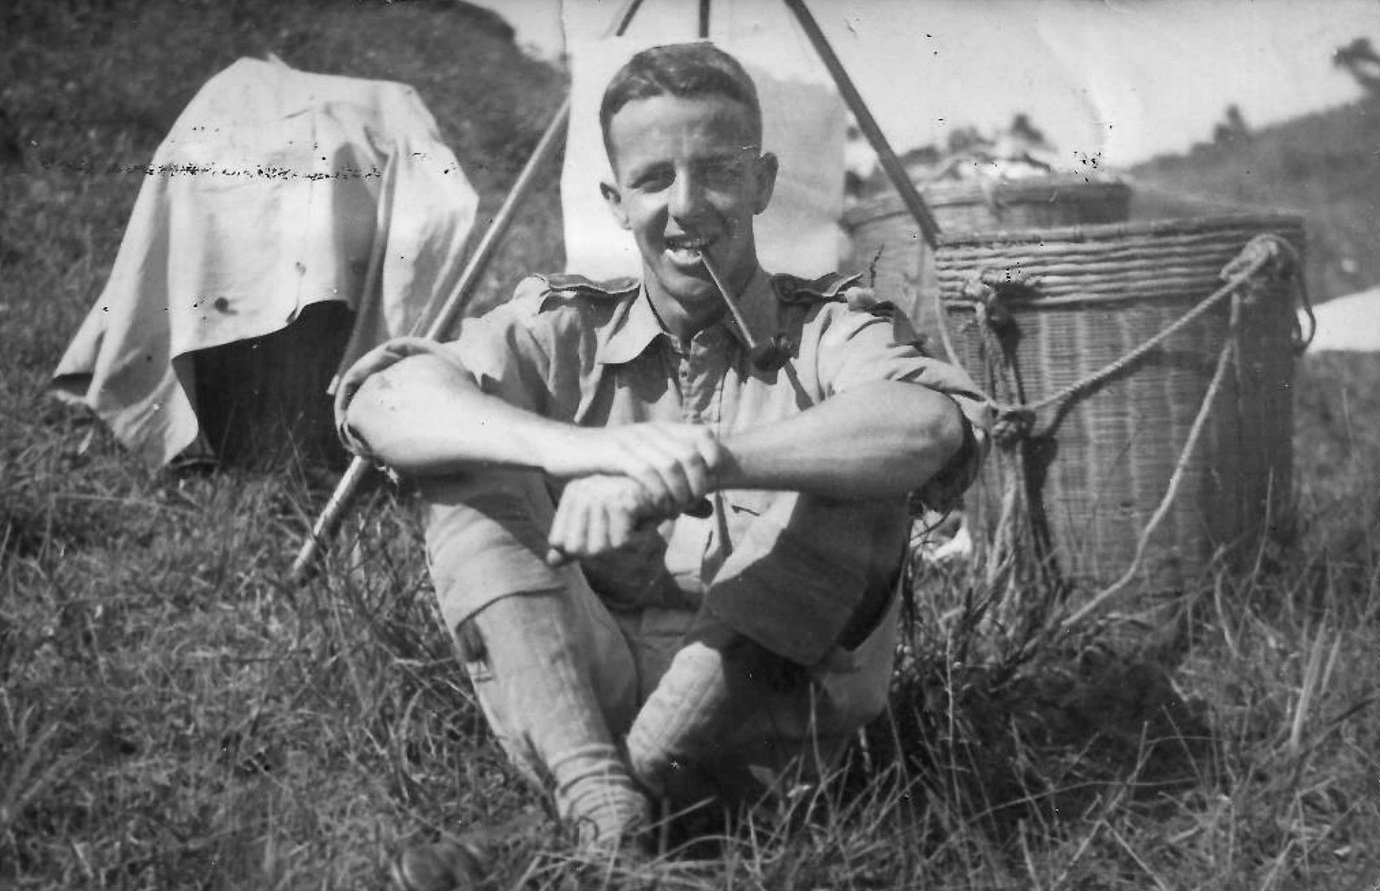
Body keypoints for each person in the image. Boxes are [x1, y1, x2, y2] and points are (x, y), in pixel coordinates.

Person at [338, 42, 992, 891]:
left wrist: (712, 459)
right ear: (616, 200)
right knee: (470, 459)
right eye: (653, 180)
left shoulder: (831, 328)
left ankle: (602, 817)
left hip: (778, 731)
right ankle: (607, 810)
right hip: (583, 708)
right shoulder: (567, 323)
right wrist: (594, 451)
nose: (686, 207)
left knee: (854, 476)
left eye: (717, 171)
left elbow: (926, 425)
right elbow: (384, 399)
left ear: (761, 182)